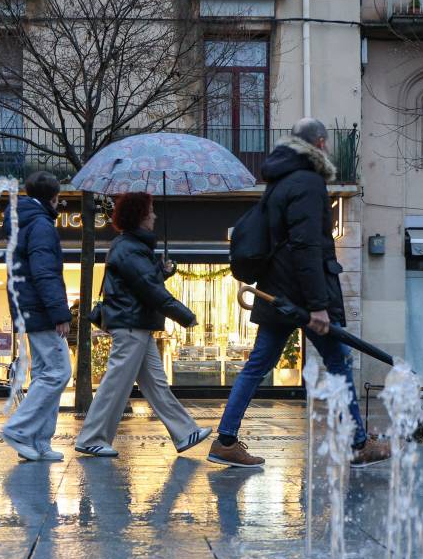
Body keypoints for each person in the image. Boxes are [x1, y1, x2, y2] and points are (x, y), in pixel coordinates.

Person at [209, 118, 389, 469]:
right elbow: (308, 246)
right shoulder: (307, 182)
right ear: (320, 143)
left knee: (257, 365)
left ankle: (226, 441)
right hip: (302, 298)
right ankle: (357, 442)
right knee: (337, 364)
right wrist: (318, 306)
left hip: (278, 292)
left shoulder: (278, 183)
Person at [75, 192, 212, 458]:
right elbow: (148, 289)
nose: (155, 216)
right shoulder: (128, 248)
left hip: (137, 324)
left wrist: (163, 272)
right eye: (150, 211)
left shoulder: (133, 247)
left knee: (156, 384)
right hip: (130, 325)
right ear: (139, 216)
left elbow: (142, 283)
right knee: (116, 383)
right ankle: (91, 437)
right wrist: (184, 314)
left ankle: (184, 432)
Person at [0, 170, 72, 462]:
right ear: (54, 198)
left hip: (29, 307)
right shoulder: (41, 225)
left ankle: (39, 442)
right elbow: (44, 272)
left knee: (44, 373)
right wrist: (60, 313)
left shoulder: (23, 221)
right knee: (59, 372)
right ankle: (19, 429)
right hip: (41, 311)